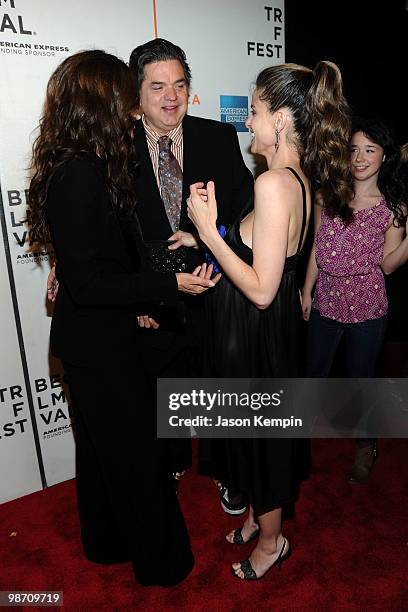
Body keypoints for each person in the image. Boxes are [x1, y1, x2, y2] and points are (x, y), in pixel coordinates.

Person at [29, 50, 217, 587]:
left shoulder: (85, 164)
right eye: (125, 94)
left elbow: (102, 258)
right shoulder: (77, 175)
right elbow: (88, 281)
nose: (135, 104)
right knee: (135, 460)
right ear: (99, 102)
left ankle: (106, 544)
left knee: (99, 452)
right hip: (98, 346)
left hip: (93, 339)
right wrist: (168, 285)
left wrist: (145, 296)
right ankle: (165, 566)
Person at [187, 61, 352, 579]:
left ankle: (273, 541)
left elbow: (260, 288)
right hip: (262, 332)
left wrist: (210, 232)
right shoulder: (295, 178)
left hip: (259, 332)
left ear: (281, 118)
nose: (248, 123)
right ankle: (262, 519)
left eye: (255, 111)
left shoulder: (275, 184)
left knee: (262, 440)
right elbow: (266, 254)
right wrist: (205, 240)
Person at [128, 38, 253, 508]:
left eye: (180, 85)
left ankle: (225, 470)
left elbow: (245, 208)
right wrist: (140, 298)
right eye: (158, 86)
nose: (171, 97)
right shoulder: (118, 149)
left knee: (219, 384)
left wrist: (207, 237)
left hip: (215, 289)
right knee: (166, 389)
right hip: (154, 299)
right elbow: (118, 230)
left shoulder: (217, 137)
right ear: (136, 93)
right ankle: (173, 461)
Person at [302, 117, 408, 484]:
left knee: (361, 380)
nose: (360, 158)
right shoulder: (326, 195)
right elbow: (317, 245)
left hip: (366, 305)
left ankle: (366, 446)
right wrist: (306, 290)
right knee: (314, 374)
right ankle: (299, 439)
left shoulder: (393, 208)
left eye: (370, 150)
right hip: (326, 300)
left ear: (383, 157)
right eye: (353, 149)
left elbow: (389, 266)